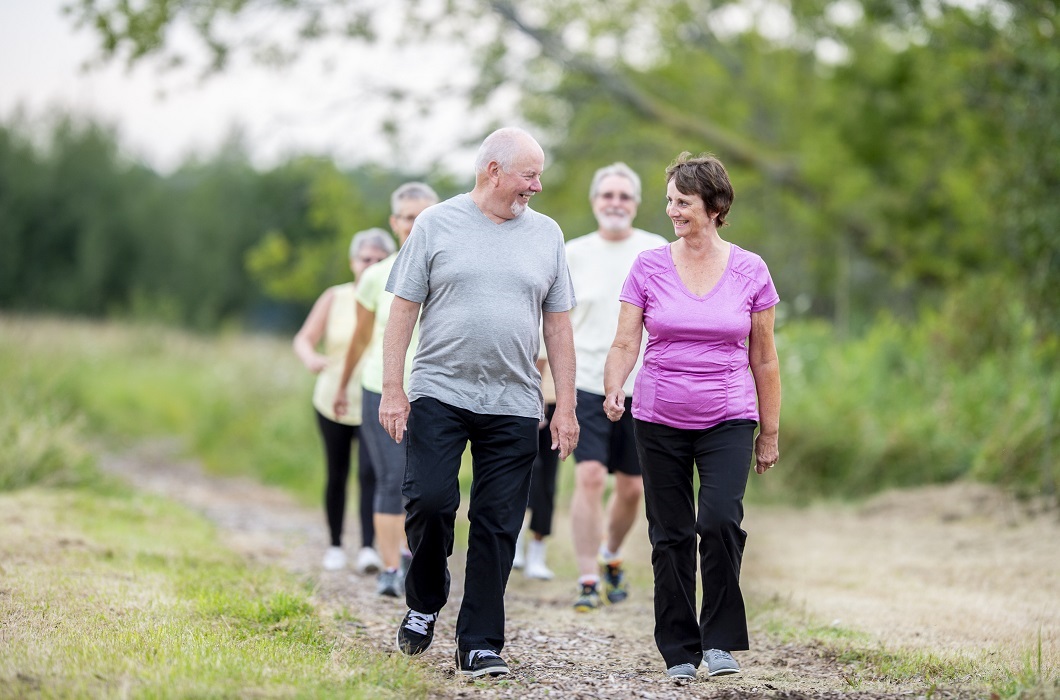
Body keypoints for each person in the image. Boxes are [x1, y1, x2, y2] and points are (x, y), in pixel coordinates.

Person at [382, 127, 579, 678]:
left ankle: (480, 643)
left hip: (515, 400)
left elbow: (558, 324)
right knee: (431, 502)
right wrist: (393, 389)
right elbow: (402, 309)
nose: (537, 186)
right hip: (439, 390)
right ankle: (424, 602)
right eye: (529, 174)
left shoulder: (547, 235)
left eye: (539, 175)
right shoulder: (436, 223)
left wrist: (564, 404)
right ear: (493, 170)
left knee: (497, 524)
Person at [602, 152, 781, 681]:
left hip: (729, 414)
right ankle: (680, 648)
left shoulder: (751, 270)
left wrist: (769, 430)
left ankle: (720, 640)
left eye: (683, 202)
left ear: (715, 206)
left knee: (720, 521)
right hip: (658, 416)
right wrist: (615, 385)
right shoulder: (649, 266)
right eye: (670, 201)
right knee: (671, 533)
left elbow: (765, 357)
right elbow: (625, 339)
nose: (672, 211)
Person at [565, 163, 667, 611]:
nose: (615, 203)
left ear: (637, 204)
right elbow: (555, 324)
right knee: (588, 477)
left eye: (624, 196)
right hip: (586, 381)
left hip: (642, 385)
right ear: (594, 201)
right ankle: (587, 577)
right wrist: (553, 388)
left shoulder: (657, 250)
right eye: (607, 195)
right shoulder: (571, 253)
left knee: (631, 488)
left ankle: (610, 555)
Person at [332, 182, 440, 598]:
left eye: (424, 216)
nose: (416, 225)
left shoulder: (446, 269)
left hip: (432, 390)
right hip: (380, 388)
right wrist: (342, 385)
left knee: (425, 482)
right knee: (392, 477)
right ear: (395, 223)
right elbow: (360, 339)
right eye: (409, 217)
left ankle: (417, 557)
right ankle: (391, 569)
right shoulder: (377, 276)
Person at [292, 228, 395, 573]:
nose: (372, 265)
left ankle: (368, 546)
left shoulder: (395, 297)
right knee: (337, 472)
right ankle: (335, 544)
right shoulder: (334, 298)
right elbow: (305, 338)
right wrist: (311, 360)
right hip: (332, 398)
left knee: (372, 473)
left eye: (380, 260)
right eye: (366, 259)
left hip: (374, 399)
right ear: (353, 262)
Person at [512, 351, 559, 580]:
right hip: (529, 401)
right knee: (527, 477)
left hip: (560, 403)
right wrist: (535, 399)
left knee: (547, 485)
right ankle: (516, 545)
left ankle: (537, 555)